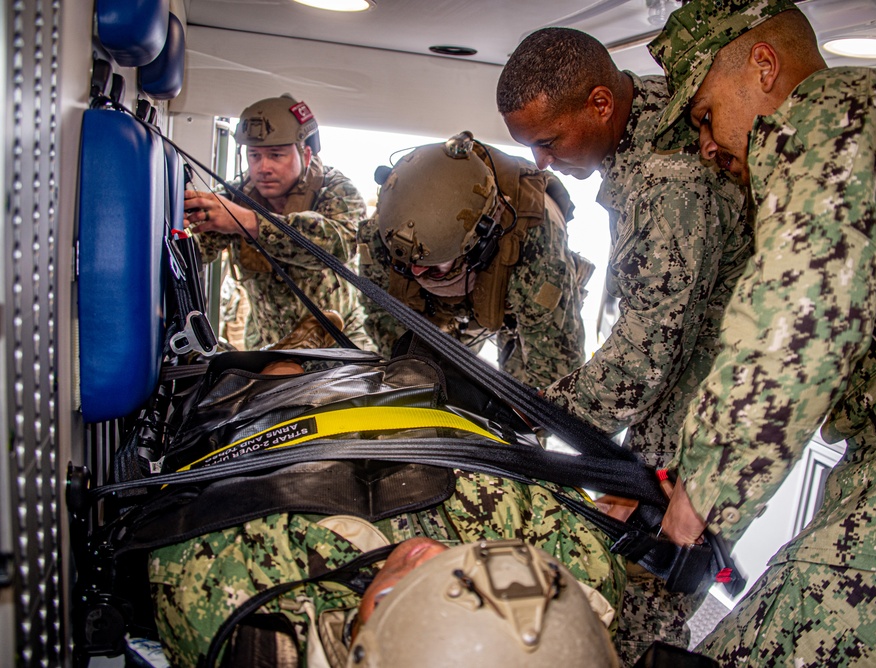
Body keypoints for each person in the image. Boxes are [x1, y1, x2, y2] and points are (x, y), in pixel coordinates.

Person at [649, 0, 876, 664]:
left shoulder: (835, 106)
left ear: (763, 64)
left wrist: (705, 489)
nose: (706, 145)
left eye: (704, 116)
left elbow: (800, 314)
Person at [496, 28, 750, 661]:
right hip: (677, 414)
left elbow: (644, 356)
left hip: (703, 428)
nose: (542, 164)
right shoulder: (658, 125)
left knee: (639, 612)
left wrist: (531, 418)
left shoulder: (669, 183)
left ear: (602, 104)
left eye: (548, 142)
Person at [144, 348, 626, 667]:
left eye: (412, 593)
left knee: (273, 377)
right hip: (401, 397)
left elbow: (197, 510)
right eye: (477, 574)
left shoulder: (231, 604)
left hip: (280, 418)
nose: (431, 556)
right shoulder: (573, 588)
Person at [357, 132, 593, 389]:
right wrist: (413, 380)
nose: (416, 270)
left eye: (431, 266)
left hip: (512, 301)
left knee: (520, 395)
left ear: (481, 243)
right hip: (440, 306)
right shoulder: (386, 230)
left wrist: (518, 418)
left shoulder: (536, 242)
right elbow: (380, 314)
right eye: (410, 264)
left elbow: (555, 368)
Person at [184, 95, 370, 349]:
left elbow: (340, 246)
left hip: (340, 343)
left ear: (305, 155)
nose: (263, 168)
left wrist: (248, 221)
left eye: (276, 155)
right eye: (254, 156)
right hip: (269, 343)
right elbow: (190, 253)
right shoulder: (236, 195)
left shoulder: (336, 191)